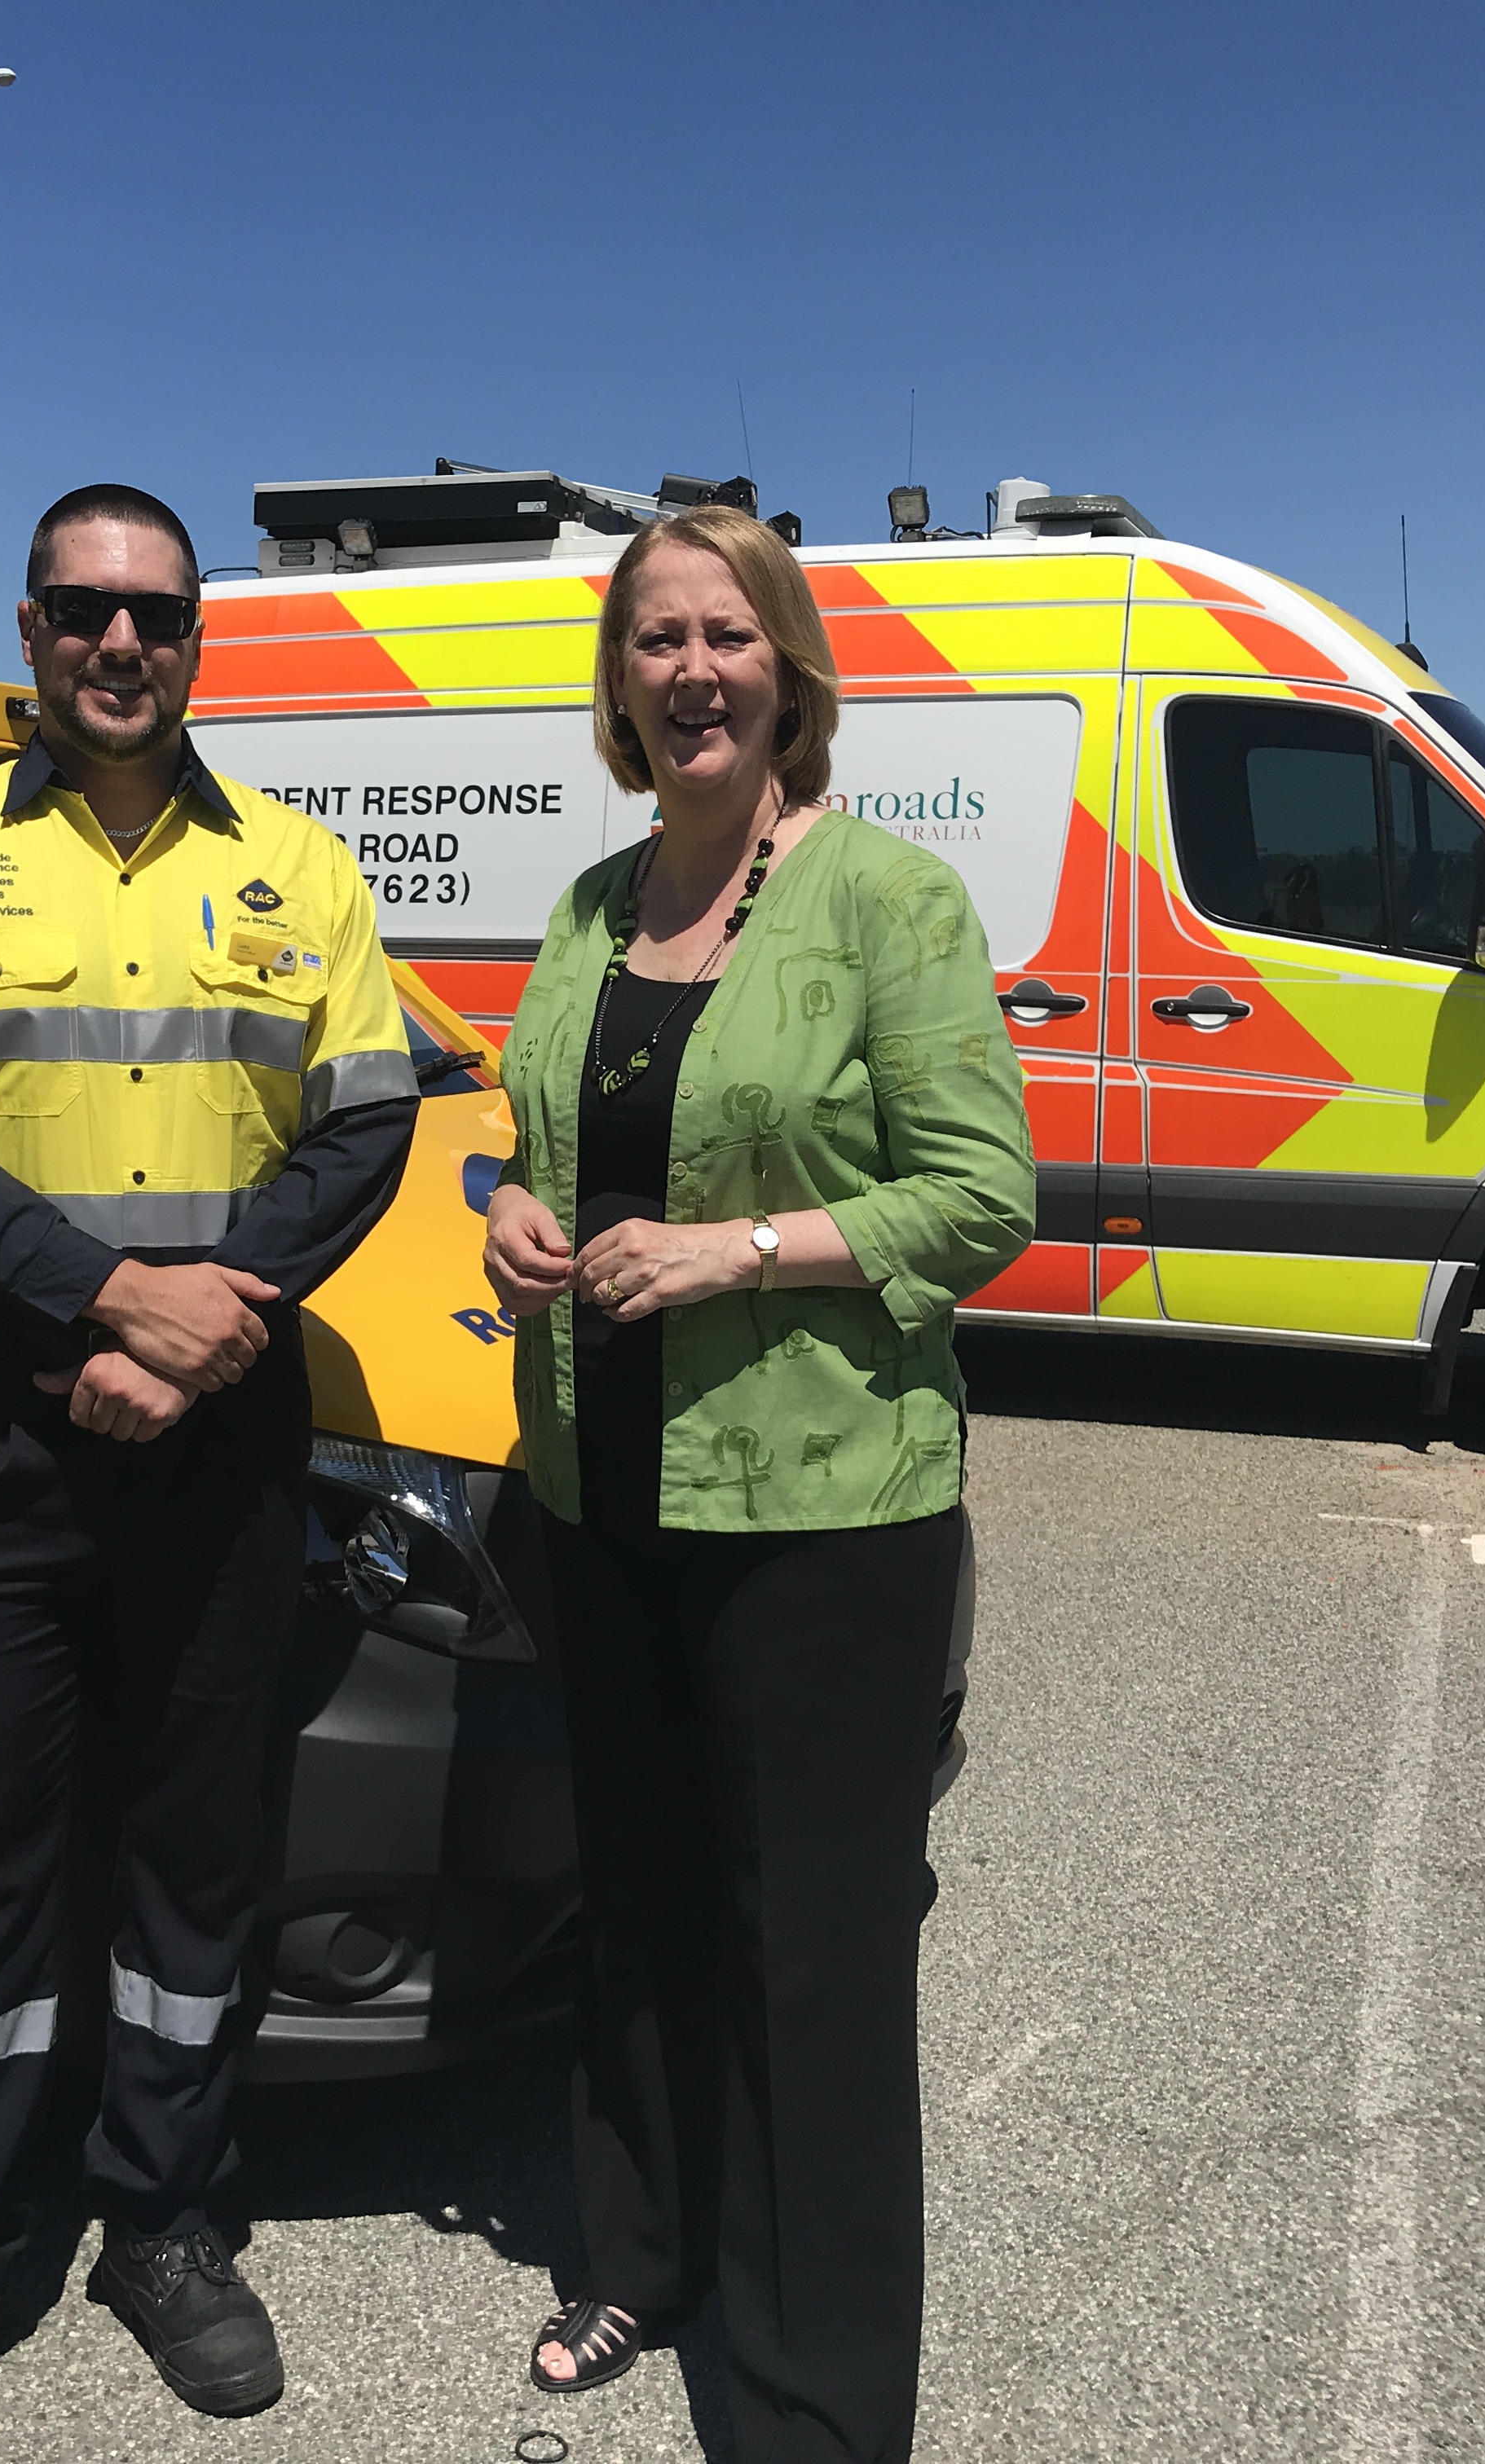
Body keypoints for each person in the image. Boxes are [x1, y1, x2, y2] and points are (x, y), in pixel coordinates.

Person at [0, 483, 419, 2464]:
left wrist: (212, 1315)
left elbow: (365, 1133)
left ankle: (164, 2226)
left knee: (193, 1861)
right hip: (1, 1434)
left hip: (222, 1439)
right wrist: (103, 1306)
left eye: (157, 613)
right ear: (32, 628)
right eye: (85, 609)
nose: (122, 645)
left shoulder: (302, 871)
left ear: (199, 640)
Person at [480, 504, 1034, 2464]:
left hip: (825, 1517)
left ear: (789, 672)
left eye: (726, 636)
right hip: (601, 1491)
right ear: (620, 684)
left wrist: (742, 1251)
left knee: (809, 1950)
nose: (690, 670)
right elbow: (533, 1133)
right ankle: (644, 2252)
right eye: (655, 641)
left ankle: (812, 2398)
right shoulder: (591, 902)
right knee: (637, 1901)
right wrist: (515, 1227)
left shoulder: (889, 900)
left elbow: (986, 1198)